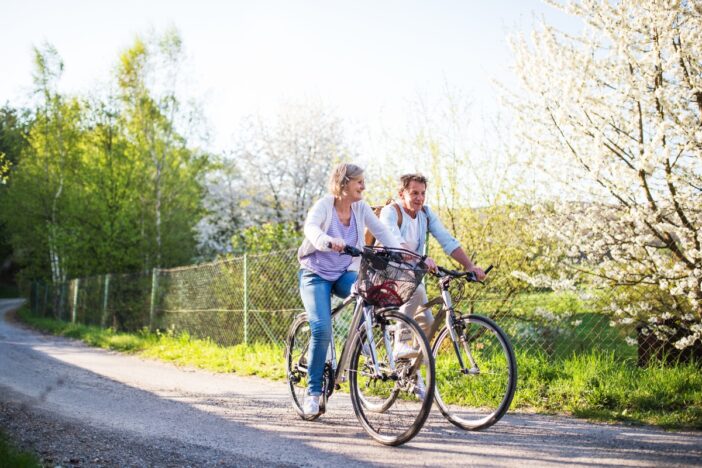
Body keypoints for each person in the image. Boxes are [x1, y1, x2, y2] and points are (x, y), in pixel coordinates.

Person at [297, 163, 402, 418]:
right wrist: (326, 241)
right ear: (343, 183)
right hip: (316, 275)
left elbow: (381, 231)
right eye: (359, 182)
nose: (364, 186)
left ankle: (363, 345)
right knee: (322, 329)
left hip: (344, 273)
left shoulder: (360, 208)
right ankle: (313, 393)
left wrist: (401, 253)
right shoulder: (325, 205)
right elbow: (311, 228)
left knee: (369, 296)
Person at [379, 173, 486, 385]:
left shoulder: (425, 214)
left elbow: (447, 240)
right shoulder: (390, 212)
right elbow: (394, 241)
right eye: (414, 193)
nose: (419, 198)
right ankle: (400, 343)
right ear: (402, 194)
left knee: (428, 326)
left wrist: (469, 266)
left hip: (411, 275)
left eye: (422, 193)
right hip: (385, 273)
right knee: (416, 291)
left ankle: (409, 374)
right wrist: (421, 258)